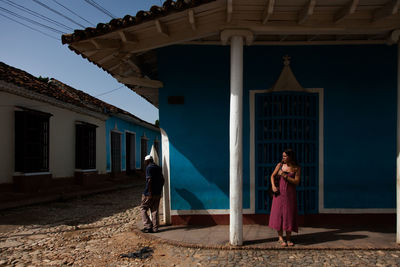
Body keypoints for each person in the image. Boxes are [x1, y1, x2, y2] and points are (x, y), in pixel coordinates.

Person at [268, 149, 301, 247]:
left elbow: (296, 182)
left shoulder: (296, 168)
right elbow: (272, 176)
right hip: (279, 194)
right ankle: (280, 238)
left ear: (291, 157)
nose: (283, 158)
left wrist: (284, 176)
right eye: (283, 156)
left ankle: (289, 238)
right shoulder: (279, 165)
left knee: (289, 215)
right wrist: (273, 186)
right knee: (279, 215)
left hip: (290, 195)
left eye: (285, 156)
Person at [140, 155, 164, 233]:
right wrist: (159, 190)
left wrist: (150, 193)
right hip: (157, 193)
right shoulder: (158, 168)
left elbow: (149, 180)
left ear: (147, 161)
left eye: (145, 161)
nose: (144, 163)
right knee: (154, 210)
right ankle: (155, 228)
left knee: (143, 209)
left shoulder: (149, 168)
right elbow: (163, 180)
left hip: (148, 193)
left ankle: (148, 226)